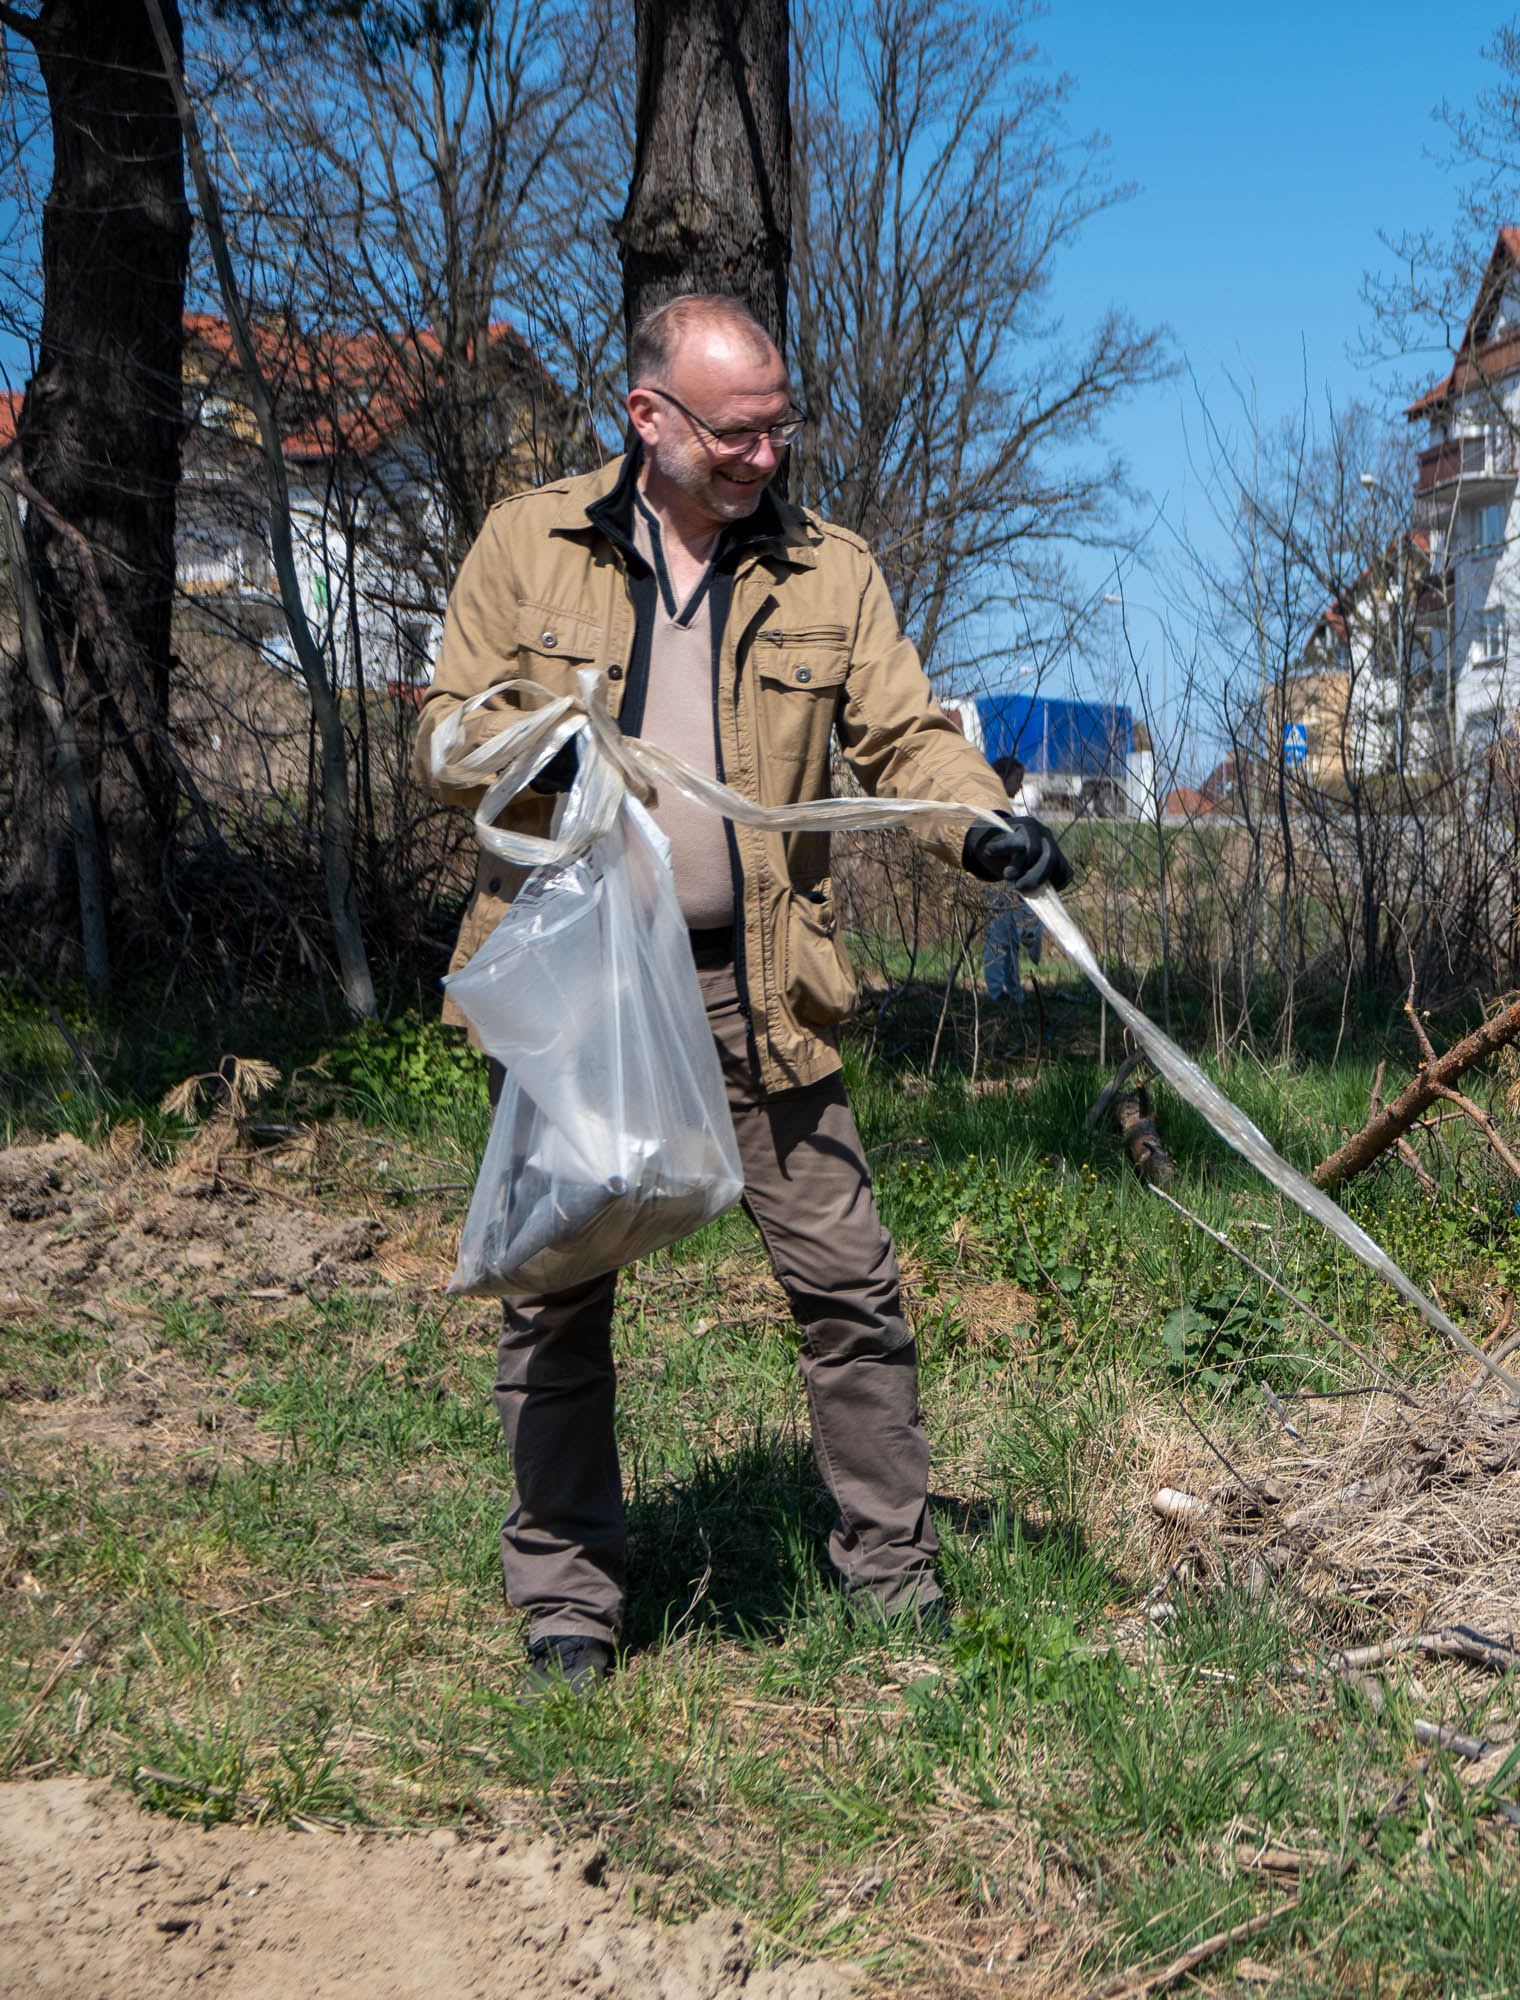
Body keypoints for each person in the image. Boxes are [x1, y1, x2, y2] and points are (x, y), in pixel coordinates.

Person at [421, 293, 1071, 1693]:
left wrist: (982, 827)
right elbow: (446, 726)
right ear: (646, 417)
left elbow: (903, 736)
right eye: (736, 431)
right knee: (556, 1299)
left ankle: (892, 1582)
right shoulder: (526, 545)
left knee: (849, 1288)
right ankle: (569, 1612)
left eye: (780, 426)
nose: (766, 455)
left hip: (761, 992)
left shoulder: (829, 572)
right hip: (587, 993)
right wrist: (545, 748)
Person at [981, 756, 1047, 1003]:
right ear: (1004, 776)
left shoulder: (1006, 806)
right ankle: (996, 993)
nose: (1020, 787)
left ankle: (1013, 991)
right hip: (996, 879)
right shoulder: (994, 806)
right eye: (1017, 780)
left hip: (1008, 877)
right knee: (999, 937)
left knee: (1010, 937)